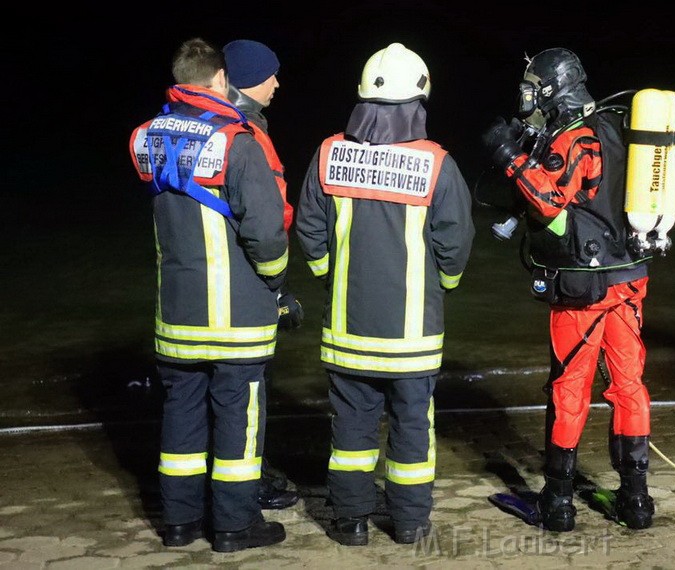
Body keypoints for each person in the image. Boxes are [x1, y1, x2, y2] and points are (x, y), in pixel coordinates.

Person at [295, 42, 474, 546]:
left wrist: (331, 277)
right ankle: (410, 523)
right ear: (418, 100)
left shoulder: (330, 152)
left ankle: (350, 524)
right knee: (412, 431)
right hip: (412, 338)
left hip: (347, 331)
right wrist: (444, 287)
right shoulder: (437, 164)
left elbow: (308, 227)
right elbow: (455, 243)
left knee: (350, 431)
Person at [481, 48, 656, 530]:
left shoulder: (575, 138)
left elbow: (549, 201)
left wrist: (509, 156)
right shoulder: (617, 125)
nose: (529, 97)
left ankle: (556, 502)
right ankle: (636, 501)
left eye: (533, 88)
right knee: (628, 386)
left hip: (583, 289)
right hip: (629, 280)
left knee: (570, 389)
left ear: (552, 89)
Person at [128, 38, 289, 552]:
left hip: (175, 313)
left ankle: (179, 525)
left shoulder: (146, 137)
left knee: (181, 420)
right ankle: (235, 528)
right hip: (235, 316)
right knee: (238, 427)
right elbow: (266, 235)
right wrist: (276, 283)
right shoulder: (237, 144)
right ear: (220, 79)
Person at [223, 38, 302, 511]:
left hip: (213, 280)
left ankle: (233, 482)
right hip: (246, 281)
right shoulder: (245, 136)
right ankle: (247, 486)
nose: (277, 82)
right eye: (270, 74)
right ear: (249, 79)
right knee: (246, 393)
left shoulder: (230, 128)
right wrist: (277, 287)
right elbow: (266, 221)